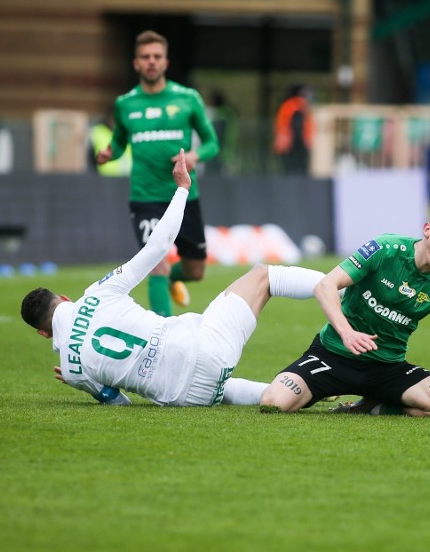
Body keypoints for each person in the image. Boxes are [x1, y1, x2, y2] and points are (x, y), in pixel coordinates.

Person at [20, 150, 326, 407]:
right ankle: (337, 289)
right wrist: (181, 189)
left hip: (187, 397)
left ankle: (288, 394)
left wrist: (81, 380)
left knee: (218, 384)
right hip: (204, 348)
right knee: (263, 275)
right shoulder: (97, 294)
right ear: (64, 298)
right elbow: (159, 246)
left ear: (44, 334)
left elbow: (118, 403)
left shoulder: (72, 370)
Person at [259, 202, 430, 421]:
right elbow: (325, 285)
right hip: (333, 356)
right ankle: (322, 390)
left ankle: (371, 407)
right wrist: (347, 332)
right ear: (427, 229)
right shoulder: (385, 249)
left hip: (387, 368)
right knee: (274, 402)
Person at [96, 30, 219, 317]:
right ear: (136, 63)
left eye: (157, 56)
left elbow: (213, 143)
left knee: (196, 269)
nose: (151, 62)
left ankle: (173, 280)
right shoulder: (125, 103)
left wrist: (193, 156)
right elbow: (119, 141)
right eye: (145, 57)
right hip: (145, 197)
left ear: (166, 62)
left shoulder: (188, 98)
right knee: (157, 263)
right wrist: (109, 153)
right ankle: (162, 334)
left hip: (184, 194)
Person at [273, 84, 313, 175]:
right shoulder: (296, 106)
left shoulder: (288, 105)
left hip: (286, 144)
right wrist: (304, 143)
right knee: (295, 170)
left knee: (288, 170)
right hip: (292, 145)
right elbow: (297, 127)